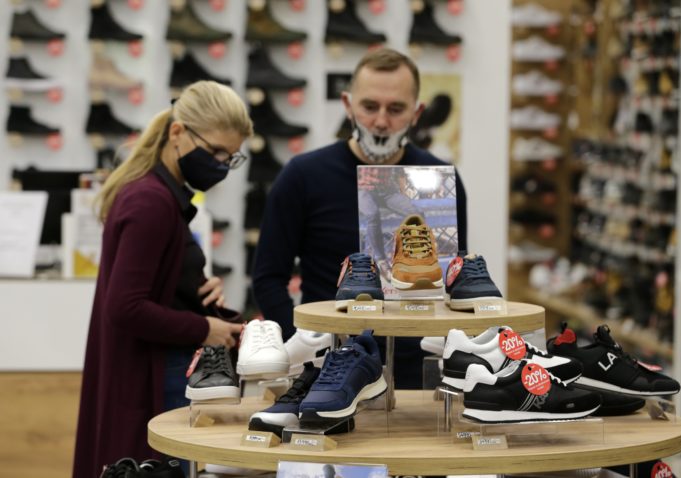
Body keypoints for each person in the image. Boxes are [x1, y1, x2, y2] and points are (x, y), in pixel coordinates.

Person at [252, 48, 467, 389]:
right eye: (369, 106)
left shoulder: (440, 179)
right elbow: (267, 277)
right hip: (328, 368)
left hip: (417, 369)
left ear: (417, 112)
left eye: (395, 109)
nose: (381, 121)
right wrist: (304, 345)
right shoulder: (302, 176)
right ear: (348, 105)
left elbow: (454, 276)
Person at [73, 81, 253, 478]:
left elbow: (152, 285)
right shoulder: (150, 202)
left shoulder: (158, 196)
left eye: (231, 157)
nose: (222, 165)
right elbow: (125, 307)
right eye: (215, 152)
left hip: (159, 371)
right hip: (153, 377)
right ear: (177, 133)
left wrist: (193, 287)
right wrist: (205, 328)